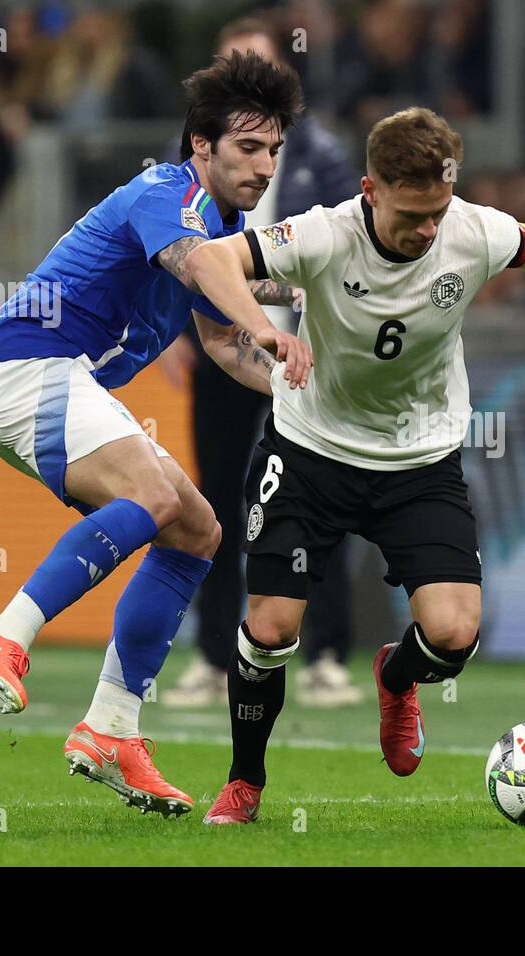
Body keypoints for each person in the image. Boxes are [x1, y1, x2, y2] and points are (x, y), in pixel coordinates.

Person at [200, 107, 525, 824]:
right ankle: (245, 780)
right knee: (274, 626)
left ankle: (395, 677)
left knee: (454, 635)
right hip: (310, 450)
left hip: (418, 458)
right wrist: (260, 329)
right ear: (371, 191)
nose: (430, 229)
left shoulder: (471, 230)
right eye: (413, 213)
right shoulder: (323, 232)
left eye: (438, 209)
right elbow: (215, 259)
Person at [0, 52, 309, 817]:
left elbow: (220, 345)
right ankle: (3, 634)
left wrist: (302, 389)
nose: (263, 164)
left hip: (52, 383)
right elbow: (206, 274)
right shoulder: (165, 192)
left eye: (274, 150)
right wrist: (272, 321)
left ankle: (113, 726)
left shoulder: (225, 227)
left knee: (197, 529)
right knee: (153, 494)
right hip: (28, 367)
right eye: (248, 147)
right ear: (201, 146)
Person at [161, 18, 362, 710]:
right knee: (212, 502)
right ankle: (213, 656)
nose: (261, 161)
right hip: (232, 353)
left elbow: (350, 250)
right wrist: (194, 335)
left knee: (316, 505)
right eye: (231, 65)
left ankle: (327, 655)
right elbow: (188, 262)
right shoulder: (187, 173)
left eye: (257, 65)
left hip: (303, 356)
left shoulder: (320, 156)